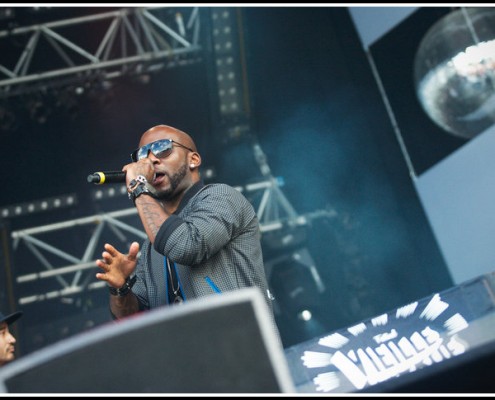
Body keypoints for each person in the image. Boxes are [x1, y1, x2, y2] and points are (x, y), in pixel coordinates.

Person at [95, 124, 278, 331]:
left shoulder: (222, 197)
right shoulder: (151, 246)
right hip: (183, 358)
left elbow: (186, 246)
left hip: (240, 350)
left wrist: (138, 186)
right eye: (142, 155)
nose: (151, 160)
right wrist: (121, 289)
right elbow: (132, 319)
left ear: (193, 160)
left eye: (163, 148)